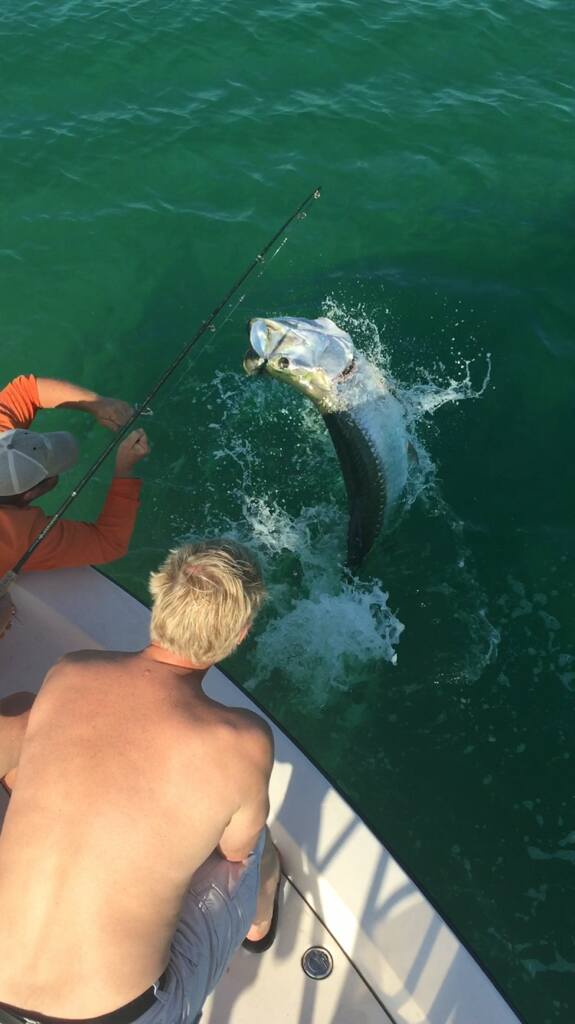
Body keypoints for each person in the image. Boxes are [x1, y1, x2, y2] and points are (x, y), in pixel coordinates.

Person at [0, 540, 281, 1024]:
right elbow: (234, 851)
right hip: (118, 1014)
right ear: (240, 635)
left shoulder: (72, 669)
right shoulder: (244, 741)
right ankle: (258, 925)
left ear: (158, 597)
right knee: (257, 849)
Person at [0, 373, 149, 630]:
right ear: (29, 494)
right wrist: (124, 470)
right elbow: (109, 543)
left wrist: (97, 403)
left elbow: (27, 389)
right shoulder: (18, 536)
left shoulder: (4, 444)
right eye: (51, 471)